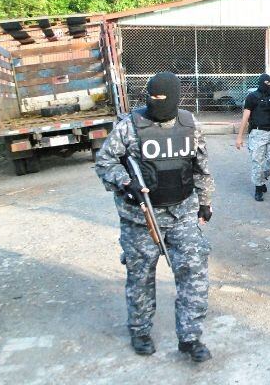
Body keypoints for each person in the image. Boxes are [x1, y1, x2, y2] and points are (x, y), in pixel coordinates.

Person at [95, 72, 215, 361]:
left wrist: (205, 202)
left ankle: (190, 337)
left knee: (194, 272)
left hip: (181, 213)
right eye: (152, 97)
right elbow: (105, 161)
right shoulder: (129, 126)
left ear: (175, 98)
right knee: (140, 276)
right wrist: (126, 183)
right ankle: (140, 330)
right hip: (141, 217)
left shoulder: (190, 124)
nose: (156, 102)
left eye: (162, 97)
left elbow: (200, 166)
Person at [235, 73, 270, 201]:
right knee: (257, 163)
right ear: (260, 83)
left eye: (269, 83)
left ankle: (260, 179)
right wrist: (239, 137)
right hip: (257, 134)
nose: (268, 85)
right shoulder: (252, 97)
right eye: (266, 83)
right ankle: (258, 188)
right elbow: (245, 117)